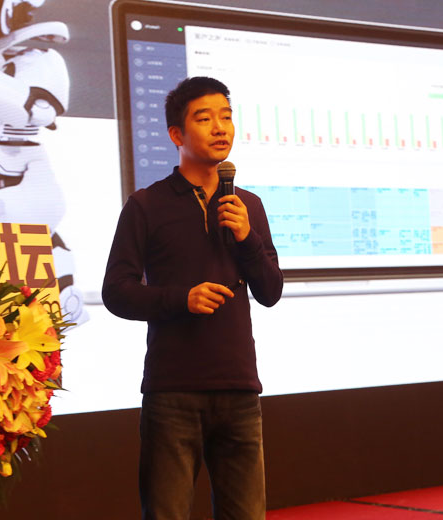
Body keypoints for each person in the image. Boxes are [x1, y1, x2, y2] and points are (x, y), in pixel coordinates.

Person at [102, 76, 283, 519]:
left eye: (226, 117)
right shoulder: (147, 205)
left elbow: (271, 291)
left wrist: (247, 237)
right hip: (172, 392)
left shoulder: (249, 206)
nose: (220, 127)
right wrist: (181, 299)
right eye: (204, 118)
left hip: (240, 390)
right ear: (176, 135)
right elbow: (117, 291)